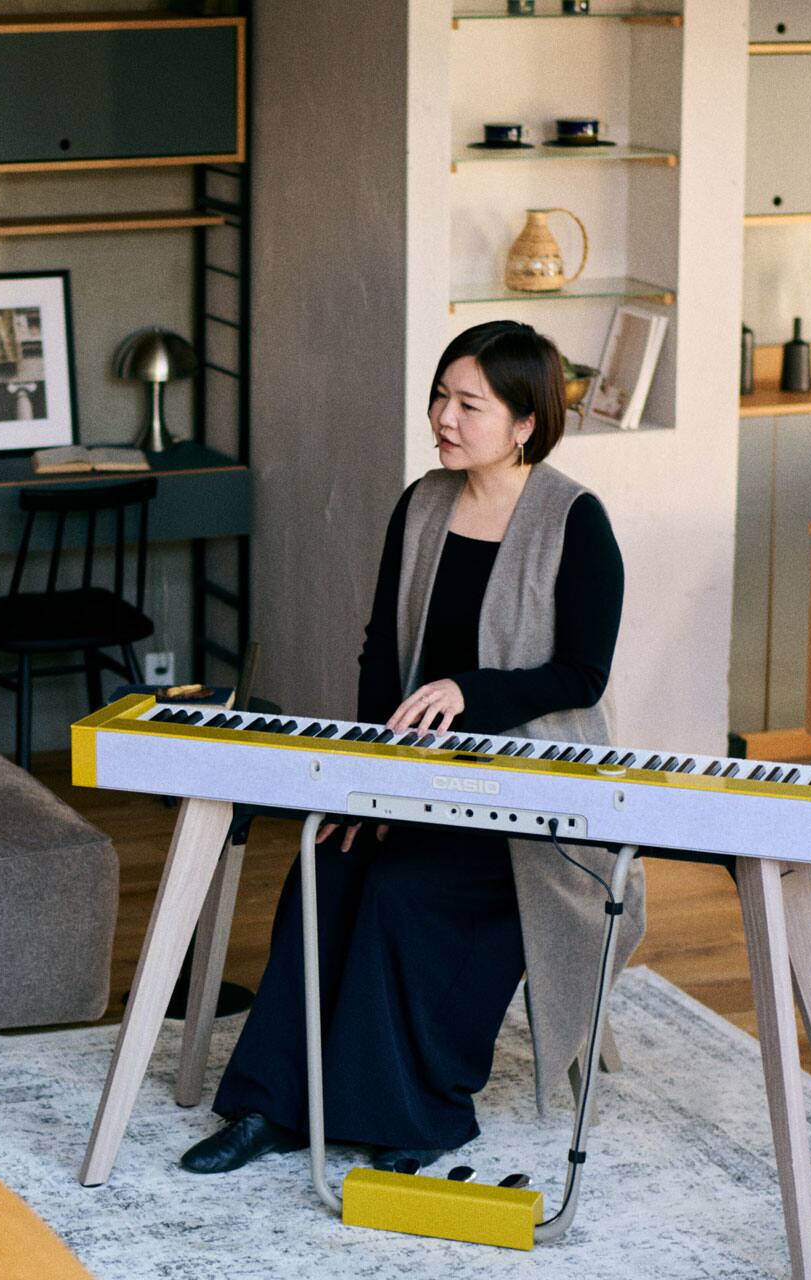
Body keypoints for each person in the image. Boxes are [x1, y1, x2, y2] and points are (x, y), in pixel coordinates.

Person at [180, 320, 645, 1174]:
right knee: (326, 868)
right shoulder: (424, 502)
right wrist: (369, 789)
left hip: (530, 806)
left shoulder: (575, 522)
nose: (444, 416)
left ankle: (411, 1116)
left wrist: (473, 690)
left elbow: (581, 674)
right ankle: (270, 1107)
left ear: (524, 424)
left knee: (403, 894)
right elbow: (378, 657)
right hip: (415, 778)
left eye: (469, 403)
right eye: (441, 395)